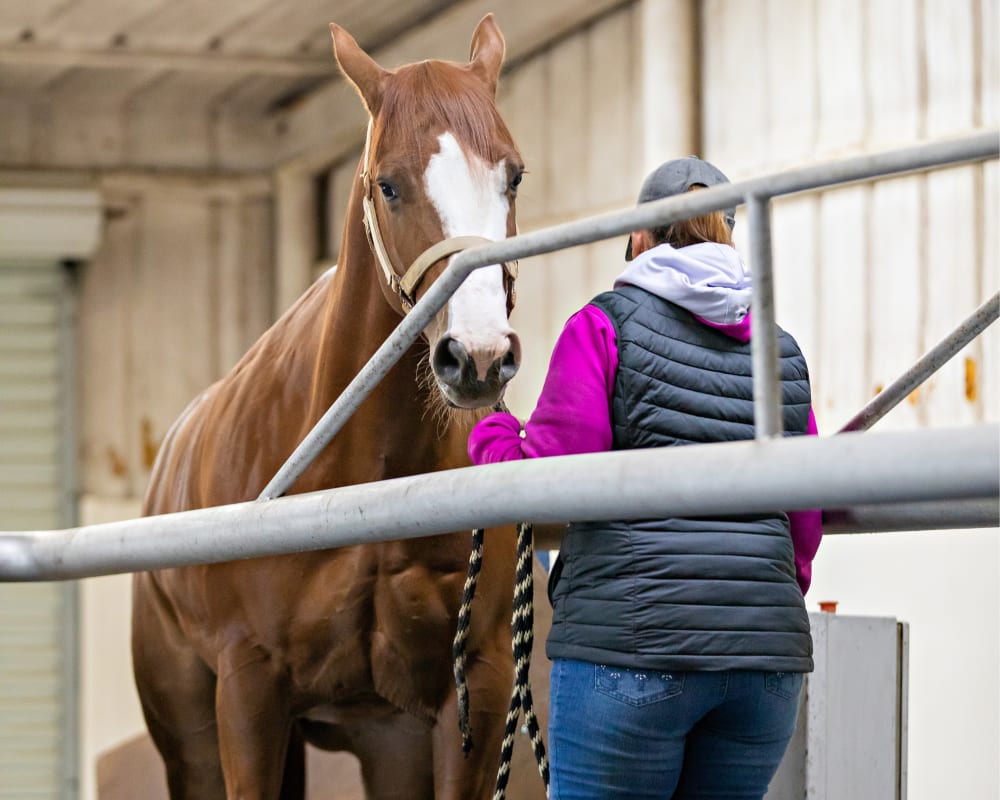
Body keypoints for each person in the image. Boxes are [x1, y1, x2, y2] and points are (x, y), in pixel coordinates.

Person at [467, 156, 822, 800]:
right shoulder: (782, 350)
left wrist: (491, 431)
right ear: (729, 234)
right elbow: (805, 515)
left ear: (638, 237)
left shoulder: (604, 325)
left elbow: (549, 477)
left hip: (632, 653)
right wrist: (758, 605)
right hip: (765, 668)